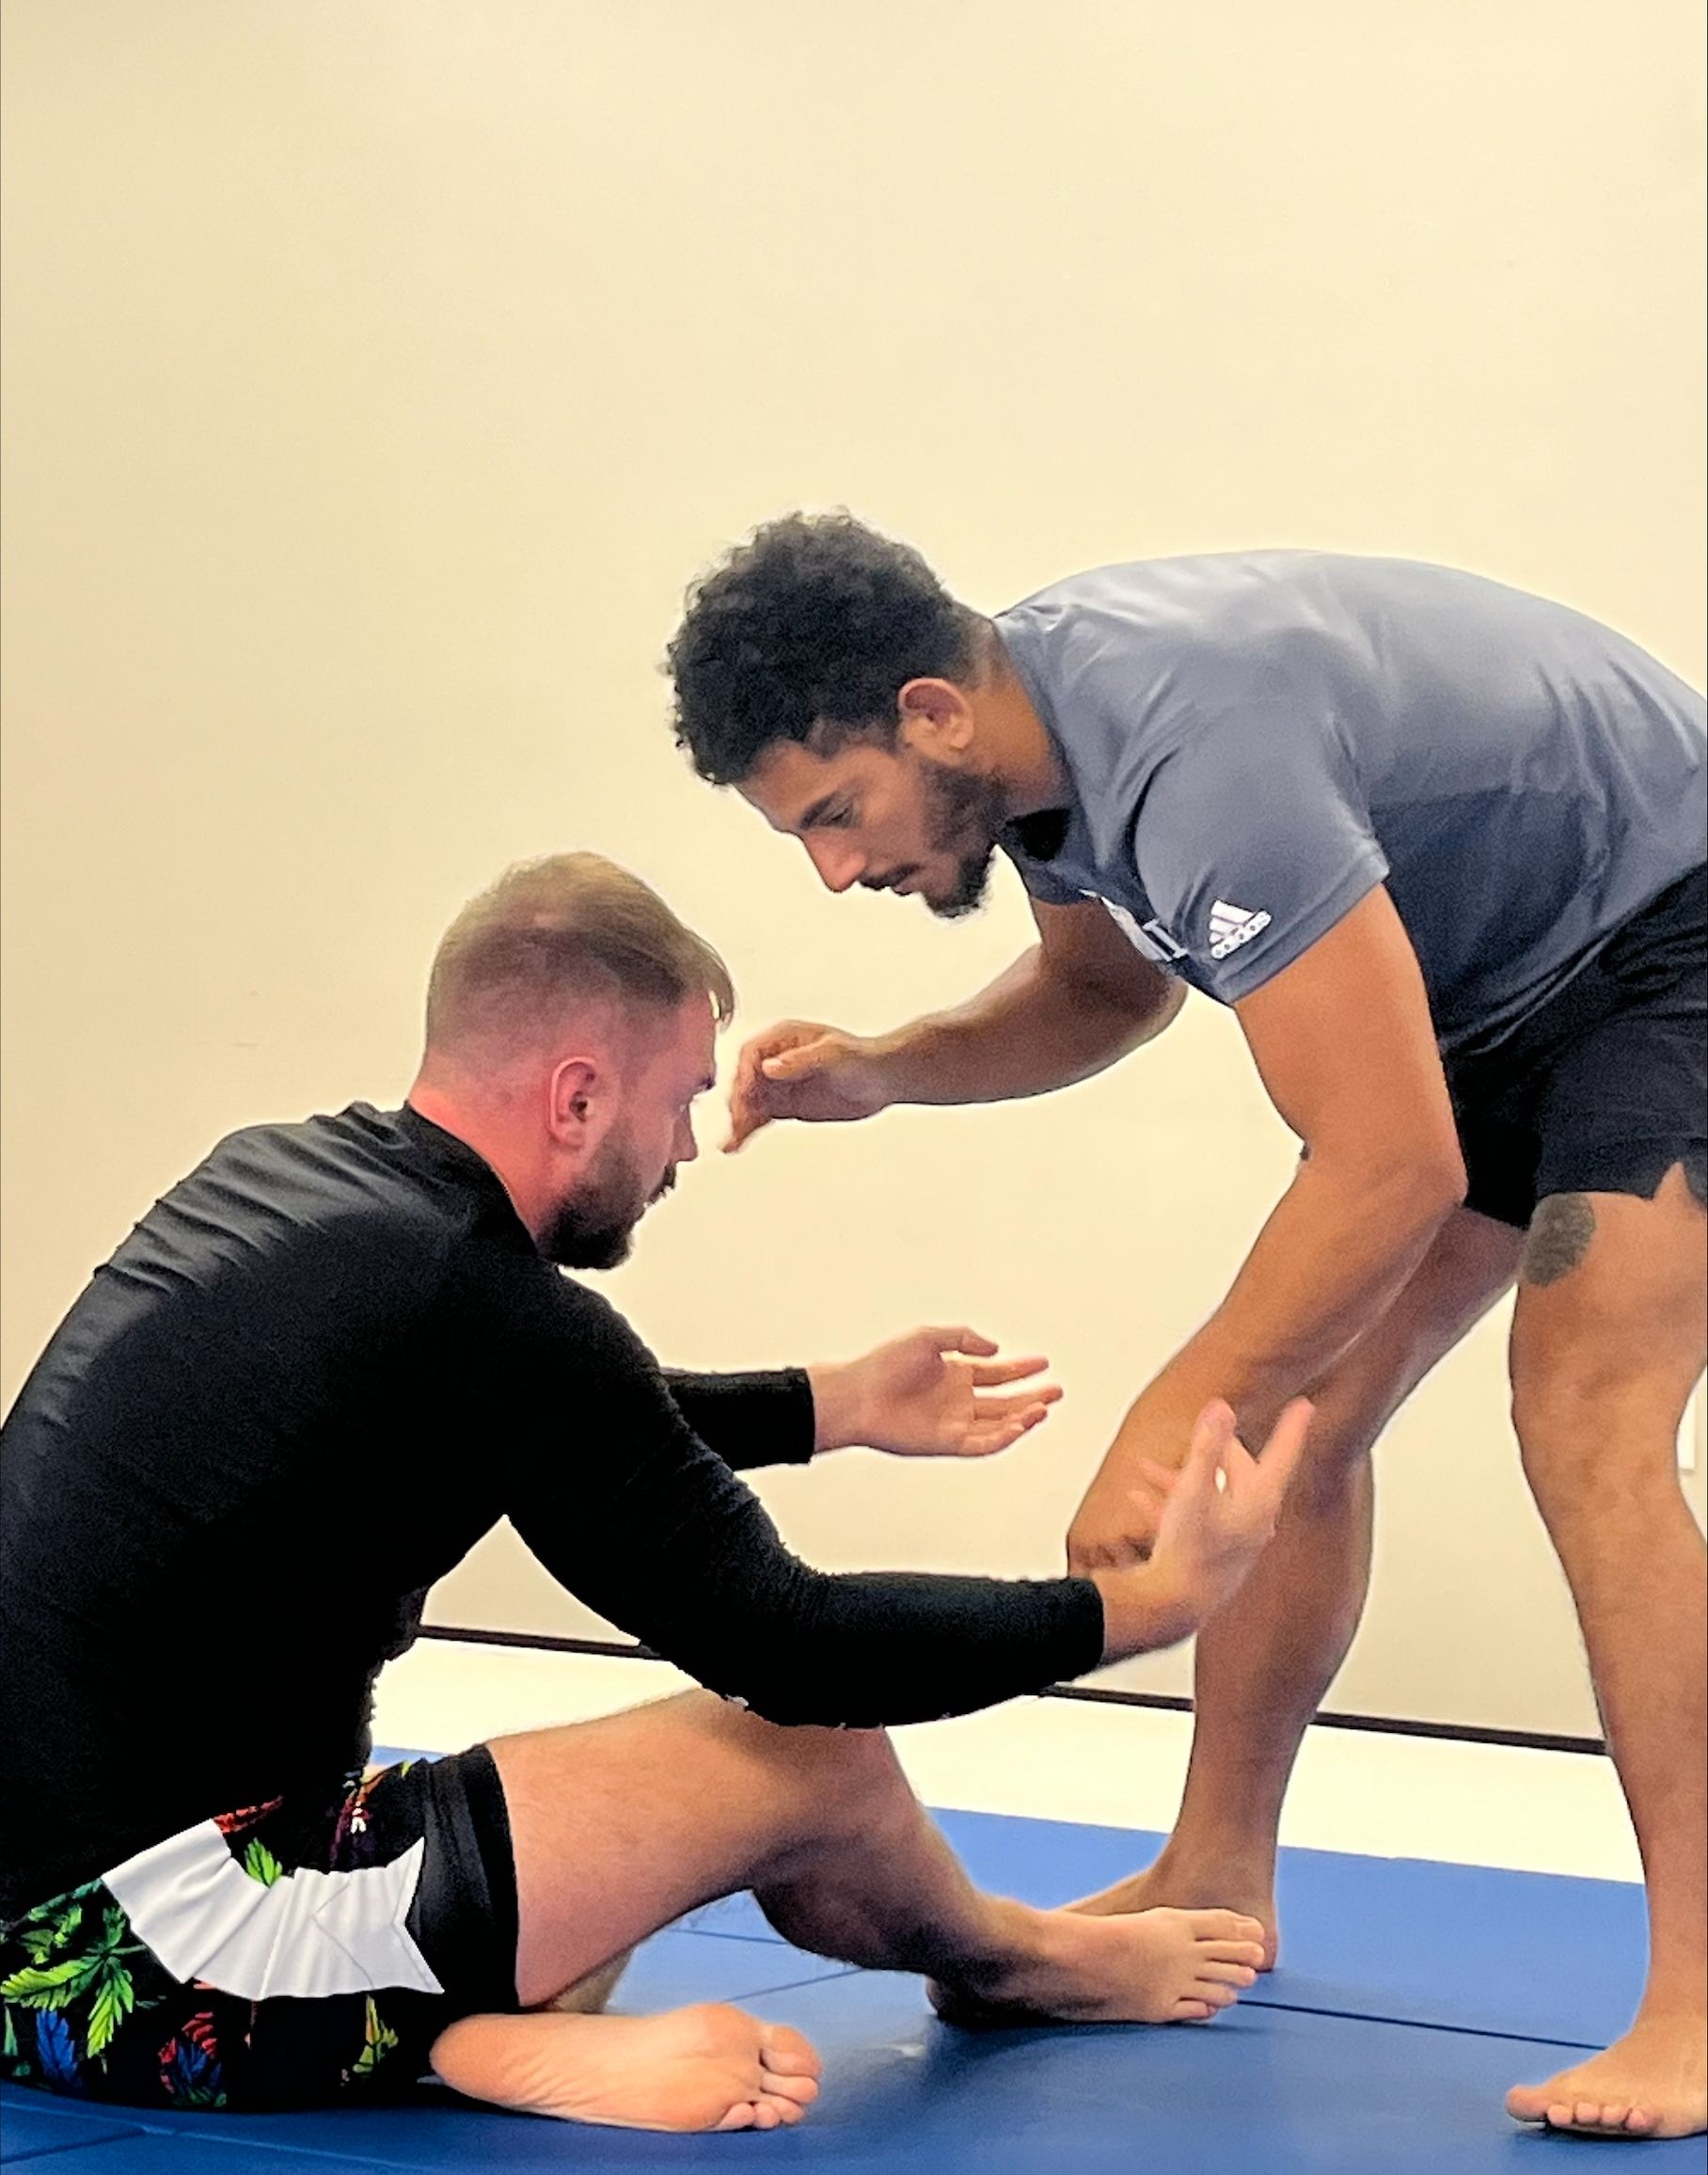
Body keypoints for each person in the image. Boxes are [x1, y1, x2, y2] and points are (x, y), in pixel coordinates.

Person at [666, 517, 1708, 2142]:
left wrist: (1163, 1415)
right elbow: (1099, 995)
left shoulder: (1199, 748)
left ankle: (1703, 2005)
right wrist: (890, 1066)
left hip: (1679, 939)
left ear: (931, 713)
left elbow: (1389, 1159)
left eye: (834, 814)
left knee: (1583, 1416)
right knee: (1294, 1417)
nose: (836, 868)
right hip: (1511, 984)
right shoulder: (1036, 738)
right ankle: (1221, 1858)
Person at [0, 849, 1305, 2135]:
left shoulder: (302, 1182)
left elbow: (557, 1424)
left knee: (635, 1821)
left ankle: (472, 2034)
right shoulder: (485, 1309)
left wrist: (826, 1405)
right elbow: (794, 1645)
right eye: (677, 1100)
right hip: (143, 1966)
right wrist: (1139, 1609)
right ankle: (1014, 1964)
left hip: (52, 1919)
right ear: (577, 1098)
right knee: (812, 1757)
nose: (686, 1146)